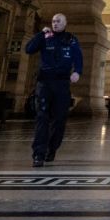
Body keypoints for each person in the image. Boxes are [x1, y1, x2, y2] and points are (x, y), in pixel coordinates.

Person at [24, 12, 82, 167]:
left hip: (62, 84)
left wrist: (77, 71)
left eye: (58, 21)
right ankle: (38, 153)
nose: (55, 23)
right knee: (42, 118)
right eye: (53, 21)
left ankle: (52, 148)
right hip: (45, 83)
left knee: (59, 119)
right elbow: (29, 49)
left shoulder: (71, 39)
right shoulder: (45, 37)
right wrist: (39, 34)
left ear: (65, 23)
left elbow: (78, 57)